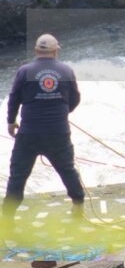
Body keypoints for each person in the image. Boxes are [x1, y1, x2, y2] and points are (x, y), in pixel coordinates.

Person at [4, 32, 84, 216]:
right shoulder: (66, 71)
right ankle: (78, 205)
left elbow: (14, 98)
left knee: (18, 176)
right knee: (67, 170)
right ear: (56, 51)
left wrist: (11, 121)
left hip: (28, 133)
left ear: (36, 50)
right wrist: (63, 112)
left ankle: (8, 217)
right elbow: (75, 98)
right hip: (58, 132)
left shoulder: (24, 71)